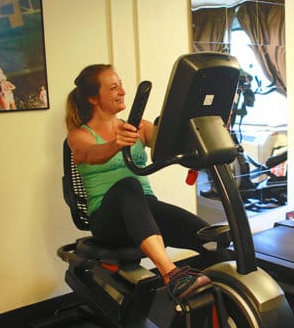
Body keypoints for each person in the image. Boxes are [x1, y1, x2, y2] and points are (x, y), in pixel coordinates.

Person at [65, 64, 214, 302]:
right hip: (107, 221)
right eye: (113, 88)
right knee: (128, 186)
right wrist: (116, 143)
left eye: (121, 85)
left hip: (145, 212)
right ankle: (172, 275)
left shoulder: (139, 127)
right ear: (94, 98)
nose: (122, 91)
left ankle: (224, 299)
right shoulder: (79, 135)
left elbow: (171, 144)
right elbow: (90, 154)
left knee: (210, 239)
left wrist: (205, 130)